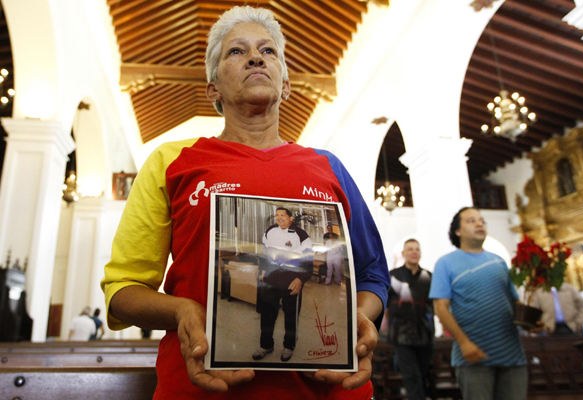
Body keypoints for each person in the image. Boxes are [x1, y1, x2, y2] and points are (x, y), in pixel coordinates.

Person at [101, 6, 390, 400]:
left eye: (268, 51)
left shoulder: (329, 167)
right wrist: (182, 311)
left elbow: (373, 275)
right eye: (236, 52)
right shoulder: (172, 162)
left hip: (328, 390)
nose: (256, 57)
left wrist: (356, 319)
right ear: (213, 89)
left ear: (285, 86)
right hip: (203, 389)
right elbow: (123, 290)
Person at [429, 207, 527, 400]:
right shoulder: (446, 263)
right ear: (458, 231)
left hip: (511, 353)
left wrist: (531, 321)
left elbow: (514, 301)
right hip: (473, 355)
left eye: (482, 220)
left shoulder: (498, 261)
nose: (480, 224)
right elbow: (440, 308)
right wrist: (465, 344)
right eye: (471, 220)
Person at [253, 207, 313, 362]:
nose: (279, 218)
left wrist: (300, 279)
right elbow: (264, 253)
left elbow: (307, 261)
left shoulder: (302, 236)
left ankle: (289, 346)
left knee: (291, 316)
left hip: (291, 280)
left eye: (283, 215)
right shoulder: (270, 231)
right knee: (267, 314)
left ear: (291, 218)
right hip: (271, 278)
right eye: (277, 215)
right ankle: (266, 345)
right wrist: (263, 270)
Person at [387, 239, 433, 400]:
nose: (414, 252)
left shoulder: (429, 276)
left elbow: (435, 304)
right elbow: (385, 305)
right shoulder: (393, 277)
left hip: (425, 334)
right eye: (410, 249)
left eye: (417, 249)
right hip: (401, 335)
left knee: (423, 375)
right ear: (404, 254)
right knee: (411, 377)